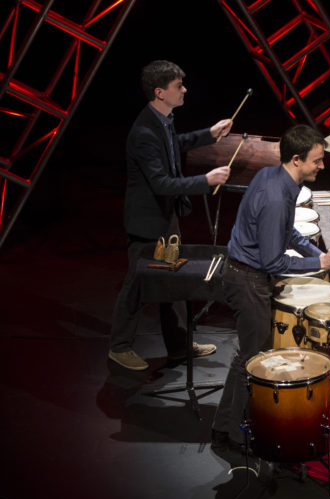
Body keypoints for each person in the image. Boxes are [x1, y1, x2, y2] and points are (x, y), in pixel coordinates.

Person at [211, 124, 330, 453]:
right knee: (252, 359)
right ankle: (232, 432)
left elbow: (289, 235)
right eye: (317, 160)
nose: (322, 166)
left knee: (247, 354)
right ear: (298, 159)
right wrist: (321, 265)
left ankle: (223, 423)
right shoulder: (276, 198)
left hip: (247, 274)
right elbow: (274, 262)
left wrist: (321, 256)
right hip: (247, 280)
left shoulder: (273, 177)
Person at [108, 60, 232, 371]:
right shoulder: (144, 132)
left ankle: (178, 346)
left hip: (166, 219)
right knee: (138, 286)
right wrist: (206, 181)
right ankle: (119, 347)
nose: (185, 90)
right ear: (160, 92)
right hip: (147, 223)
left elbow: (174, 145)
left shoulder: (161, 120)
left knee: (174, 283)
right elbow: (161, 184)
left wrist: (210, 134)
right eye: (179, 86)